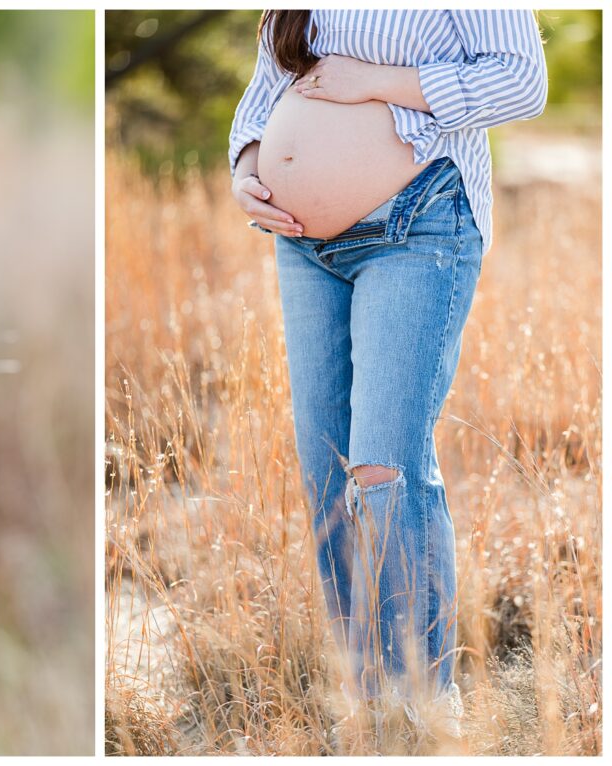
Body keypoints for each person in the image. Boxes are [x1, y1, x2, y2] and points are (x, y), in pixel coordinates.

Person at [228, 9, 547, 733]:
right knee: (325, 469)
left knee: (384, 467)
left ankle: (423, 703)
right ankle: (368, 694)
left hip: (421, 222)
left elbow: (522, 82)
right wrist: (247, 166)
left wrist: (374, 81)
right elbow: (266, 87)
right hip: (301, 244)